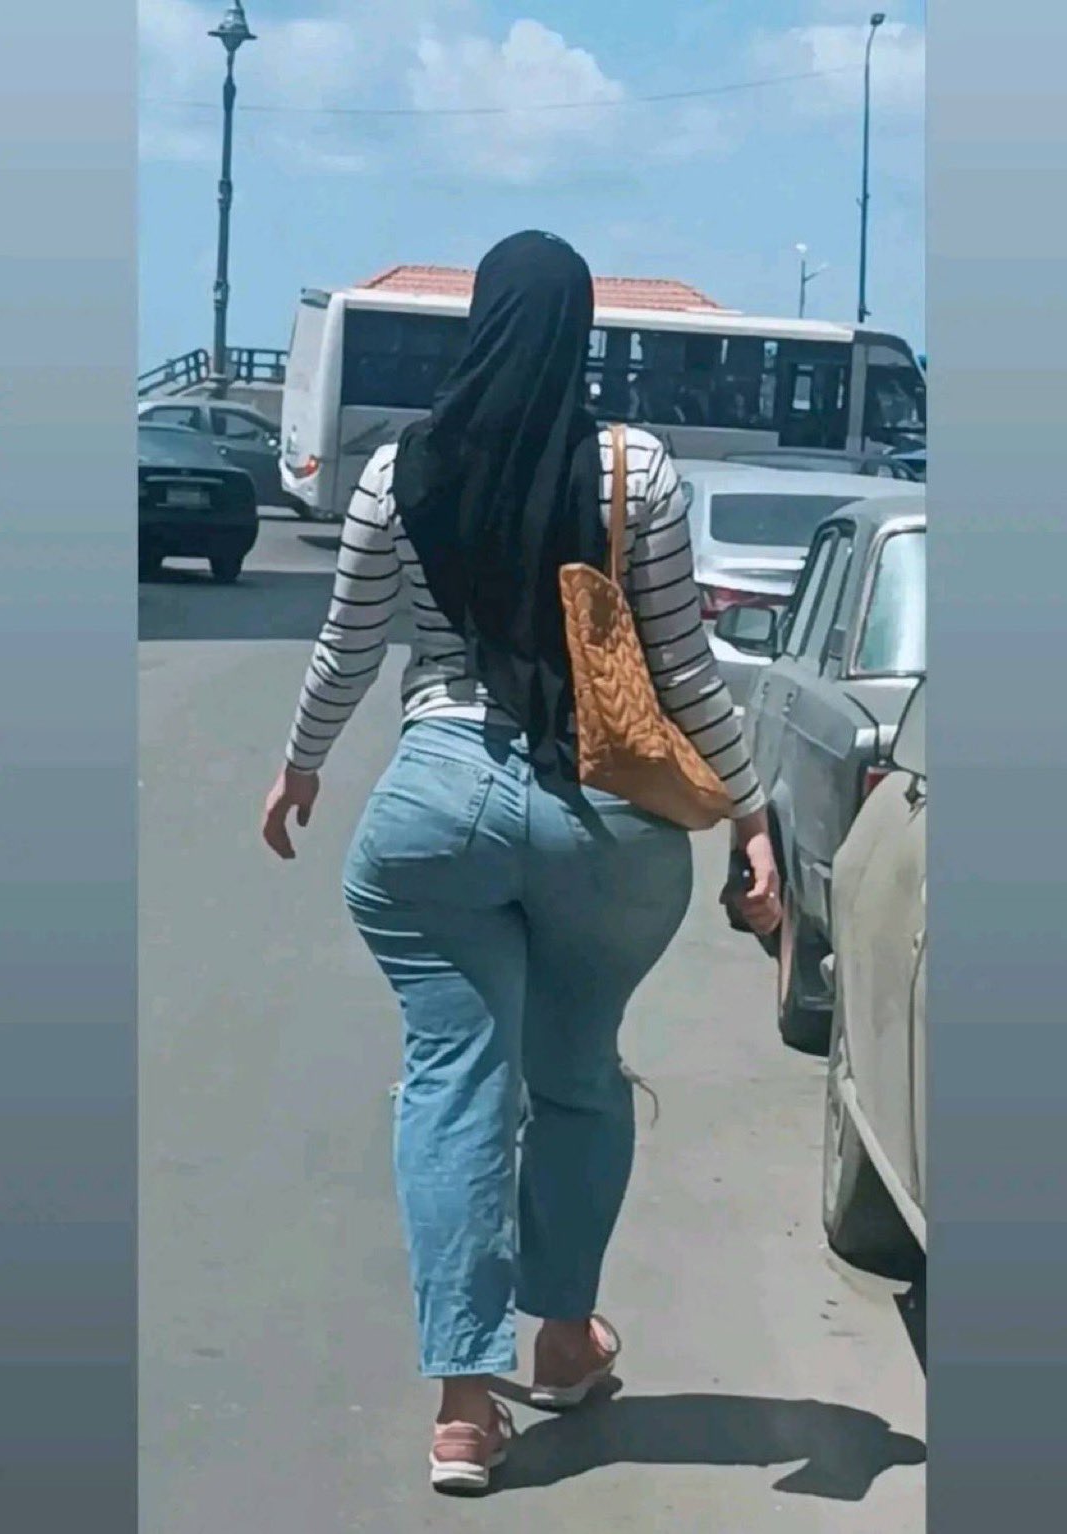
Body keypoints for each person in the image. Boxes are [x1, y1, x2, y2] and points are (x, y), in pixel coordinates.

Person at [262, 231, 780, 1494]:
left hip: (434, 806)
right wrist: (752, 811)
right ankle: (561, 1337)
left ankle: (460, 1408)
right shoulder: (634, 469)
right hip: (601, 821)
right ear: (578, 333)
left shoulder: (397, 470)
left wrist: (300, 764)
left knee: (453, 1081)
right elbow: (679, 666)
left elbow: (347, 645)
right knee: (576, 1074)